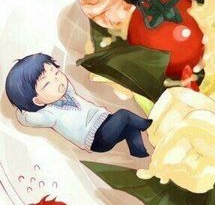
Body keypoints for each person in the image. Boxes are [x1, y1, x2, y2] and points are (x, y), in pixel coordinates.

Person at [5, 53, 152, 158]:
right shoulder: (49, 114)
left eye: (56, 73)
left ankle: (138, 151)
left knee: (130, 128)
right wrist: (22, 110)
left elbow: (64, 82)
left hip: (105, 122)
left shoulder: (68, 92)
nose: (57, 81)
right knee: (124, 115)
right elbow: (29, 119)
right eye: (47, 83)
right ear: (37, 100)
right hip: (96, 137)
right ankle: (149, 125)